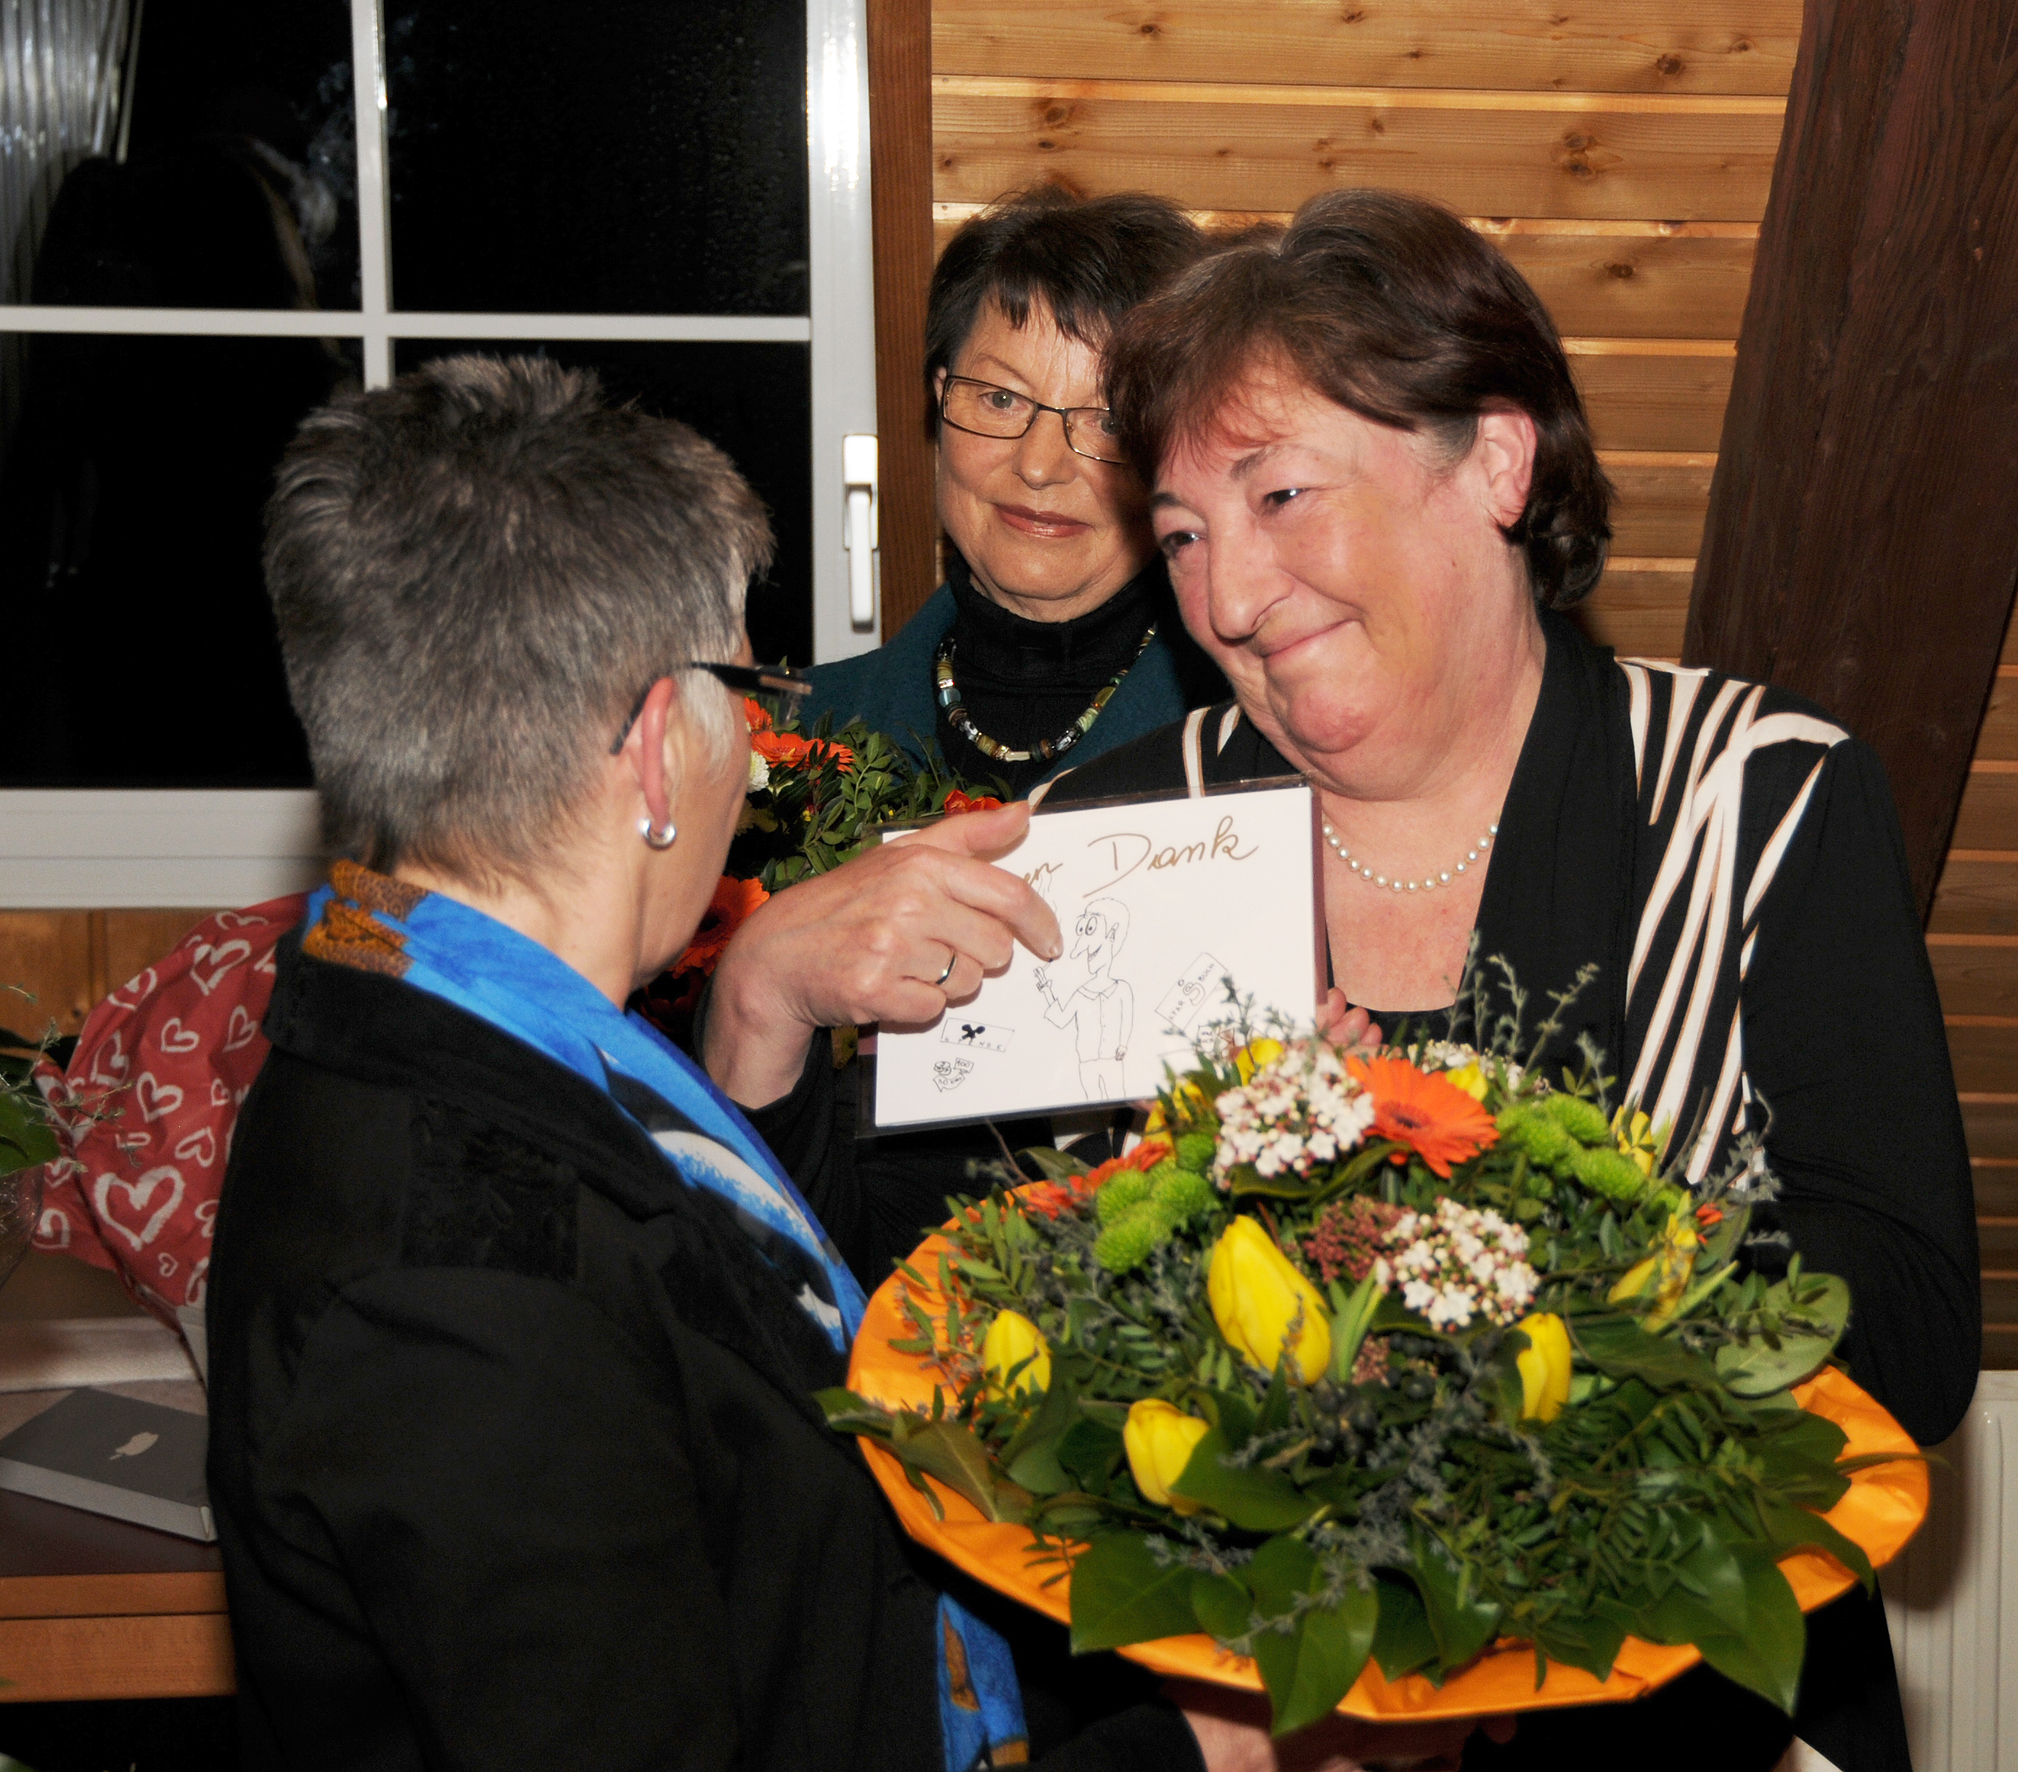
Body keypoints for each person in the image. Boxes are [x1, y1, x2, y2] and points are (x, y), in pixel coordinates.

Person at [205, 353, 1485, 1772]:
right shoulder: (457, 1281)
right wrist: (1209, 1755)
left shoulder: (476, 1039)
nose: (752, 758)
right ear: (655, 752)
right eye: (741, 694)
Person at [1015, 189, 1977, 1772]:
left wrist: (1446, 1237)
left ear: (1496, 466)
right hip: (1225, 1718)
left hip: (1680, 1718)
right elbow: (978, 1316)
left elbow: (1914, 1330)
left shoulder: (1755, 798)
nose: (1227, 597)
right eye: (1182, 535)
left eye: (1278, 495)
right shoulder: (1119, 833)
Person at [799, 187, 1224, 794]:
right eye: (1001, 399)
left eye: (1108, 421)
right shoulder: (794, 741)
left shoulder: (1256, 739)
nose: (1040, 466)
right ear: (940, 401)